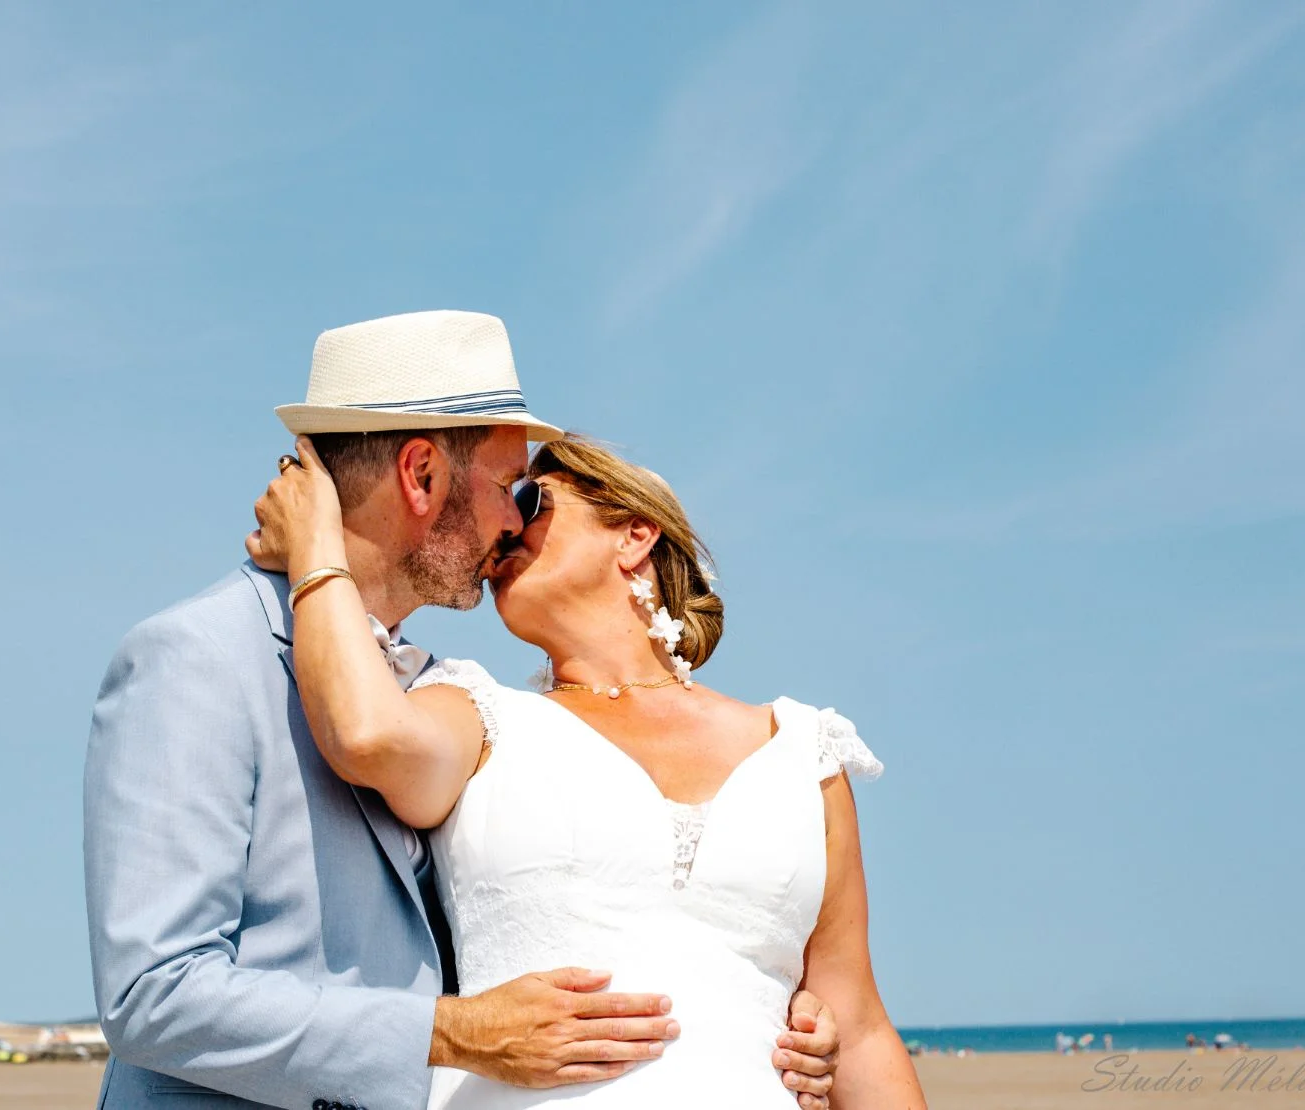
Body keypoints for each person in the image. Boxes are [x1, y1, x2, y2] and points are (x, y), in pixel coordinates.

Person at [84, 311, 840, 1110]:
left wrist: (765, 1013)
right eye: (508, 487)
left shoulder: (440, 693)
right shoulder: (196, 657)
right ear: (421, 476)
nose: (513, 522)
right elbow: (152, 994)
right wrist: (447, 1034)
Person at [249, 431, 928, 1109]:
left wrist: (823, 1041)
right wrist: (317, 547)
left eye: (531, 500)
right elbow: (363, 733)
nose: (506, 528)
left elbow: (861, 1030)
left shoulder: (802, 755)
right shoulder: (478, 714)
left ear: (634, 535)